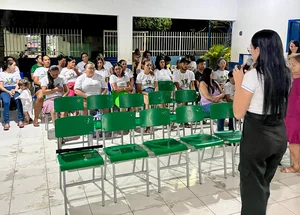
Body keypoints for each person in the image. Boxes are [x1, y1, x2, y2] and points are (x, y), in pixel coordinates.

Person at [233, 29, 291, 215]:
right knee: (262, 185)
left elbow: (238, 113)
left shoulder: (253, 75)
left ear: (259, 49)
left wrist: (239, 82)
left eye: (251, 47)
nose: (250, 51)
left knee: (252, 190)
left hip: (257, 137)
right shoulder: (286, 74)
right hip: (279, 135)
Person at [282, 53, 300, 173]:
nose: (291, 67)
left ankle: (296, 166)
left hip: (295, 116)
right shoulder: (290, 79)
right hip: (289, 114)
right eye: (290, 65)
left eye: (294, 65)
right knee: (293, 141)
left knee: (294, 142)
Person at [0, 61, 24, 130]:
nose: (15, 67)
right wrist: (8, 91)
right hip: (5, 90)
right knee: (6, 102)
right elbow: (1, 86)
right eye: (14, 65)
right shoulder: (2, 74)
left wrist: (15, 90)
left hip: (15, 89)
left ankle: (20, 120)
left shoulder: (16, 73)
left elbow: (18, 84)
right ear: (8, 66)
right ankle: (6, 122)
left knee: (18, 100)